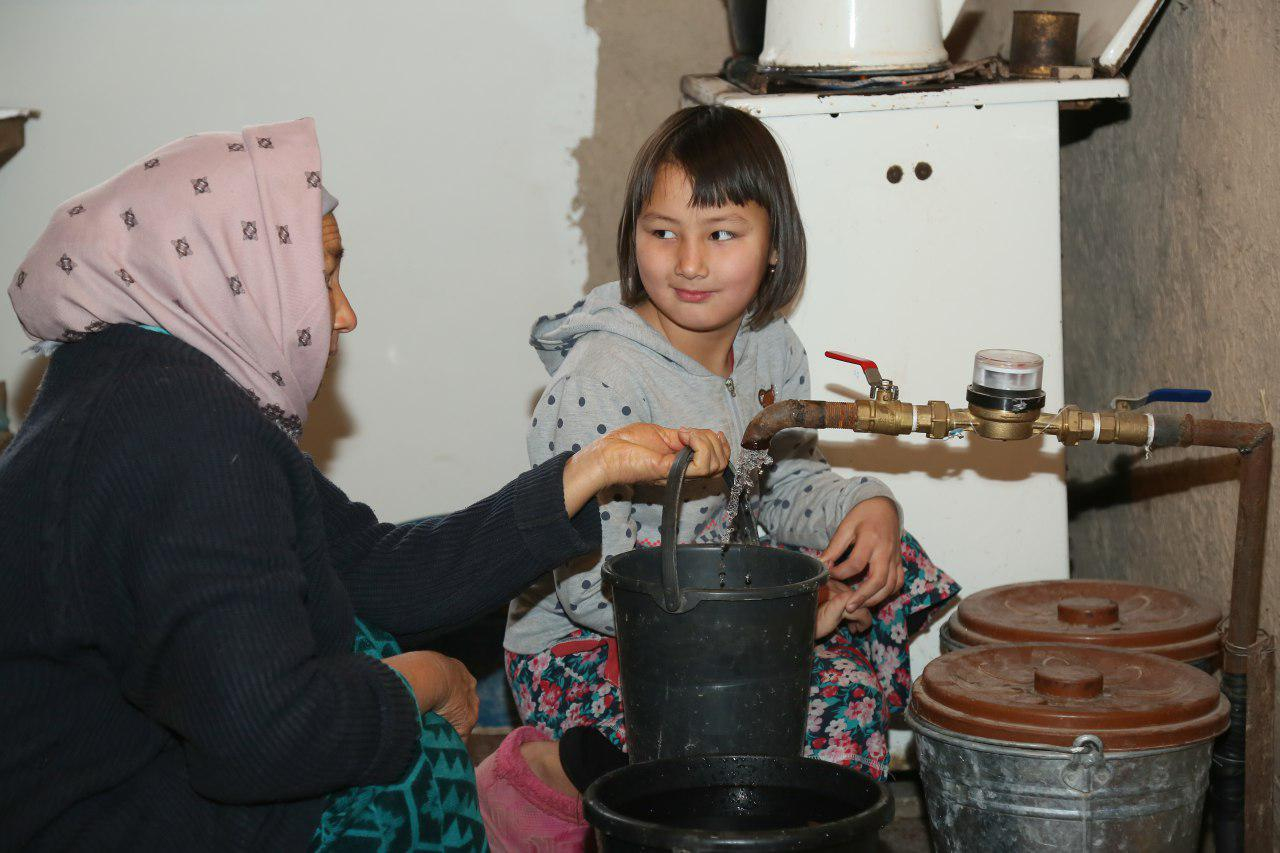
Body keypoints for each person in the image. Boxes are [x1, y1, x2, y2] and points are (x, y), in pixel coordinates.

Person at [0, 118, 730, 852]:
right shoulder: (185, 434)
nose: (345, 314)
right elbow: (265, 736)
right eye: (323, 273)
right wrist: (417, 681)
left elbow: (373, 565)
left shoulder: (142, 381)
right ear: (232, 269)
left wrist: (585, 471)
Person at [499, 105, 960, 796]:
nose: (689, 262)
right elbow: (592, 588)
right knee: (827, 710)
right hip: (595, 638)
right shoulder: (602, 379)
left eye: (721, 234)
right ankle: (570, 767)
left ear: (775, 244)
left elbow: (784, 481)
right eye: (663, 233)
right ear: (633, 238)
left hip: (715, 592)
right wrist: (774, 623)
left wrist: (869, 501)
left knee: (888, 558)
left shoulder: (772, 346)